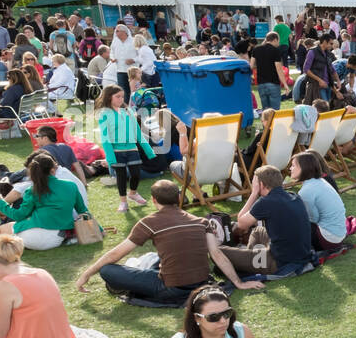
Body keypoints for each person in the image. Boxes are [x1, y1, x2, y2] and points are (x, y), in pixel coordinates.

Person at [75, 180, 262, 303]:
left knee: (108, 270)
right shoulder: (201, 221)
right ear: (178, 198)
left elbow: (115, 254)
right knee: (157, 257)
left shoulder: (149, 222)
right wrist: (238, 283)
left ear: (154, 200)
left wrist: (87, 273)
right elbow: (217, 254)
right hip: (201, 282)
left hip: (169, 288)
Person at [234, 166, 316, 279]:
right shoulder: (293, 195)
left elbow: (241, 224)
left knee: (221, 252)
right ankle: (252, 260)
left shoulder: (266, 202)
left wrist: (254, 194)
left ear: (261, 184)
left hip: (282, 261)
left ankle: (253, 264)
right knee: (258, 231)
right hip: (300, 254)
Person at [96, 84, 154, 213]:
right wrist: (110, 157)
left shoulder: (129, 112)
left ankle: (133, 193)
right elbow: (105, 138)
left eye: (122, 96)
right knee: (121, 176)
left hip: (132, 148)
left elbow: (138, 133)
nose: (121, 99)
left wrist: (148, 150)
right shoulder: (104, 114)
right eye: (117, 97)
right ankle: (123, 202)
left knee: (135, 173)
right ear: (109, 97)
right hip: (116, 151)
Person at [290, 151, 350, 254]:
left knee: (292, 222)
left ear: (303, 168)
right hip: (339, 234)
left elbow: (313, 219)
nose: (290, 168)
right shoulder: (320, 181)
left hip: (329, 240)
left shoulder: (307, 190)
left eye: (293, 166)